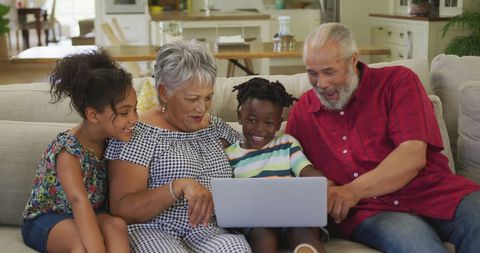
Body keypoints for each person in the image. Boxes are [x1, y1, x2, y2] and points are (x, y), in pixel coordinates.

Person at [286, 22, 480, 253]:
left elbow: (411, 155)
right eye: (312, 73)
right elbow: (296, 168)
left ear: (353, 60)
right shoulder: (303, 113)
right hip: (371, 211)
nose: (321, 83)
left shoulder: (397, 82)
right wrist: (326, 190)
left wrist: (350, 191)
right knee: (419, 247)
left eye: (329, 72)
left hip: (432, 191)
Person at [105, 40, 251, 253]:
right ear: (164, 92)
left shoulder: (216, 128)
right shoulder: (136, 133)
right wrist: (178, 186)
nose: (202, 108)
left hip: (208, 231)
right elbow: (123, 208)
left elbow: (254, 157)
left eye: (208, 97)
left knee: (238, 249)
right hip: (153, 230)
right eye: (192, 99)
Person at [22, 50, 137, 253]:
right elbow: (78, 201)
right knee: (80, 244)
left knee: (117, 226)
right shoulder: (68, 151)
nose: (134, 119)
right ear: (93, 115)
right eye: (124, 112)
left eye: (135, 109)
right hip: (48, 217)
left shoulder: (115, 139)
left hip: (92, 212)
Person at [225, 77, 328, 253]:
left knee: (303, 233)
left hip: (293, 215)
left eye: (269, 123)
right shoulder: (230, 155)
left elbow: (305, 170)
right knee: (262, 238)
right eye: (251, 120)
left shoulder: (287, 144)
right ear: (239, 117)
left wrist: (321, 182)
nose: (259, 129)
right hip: (256, 221)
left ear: (279, 124)